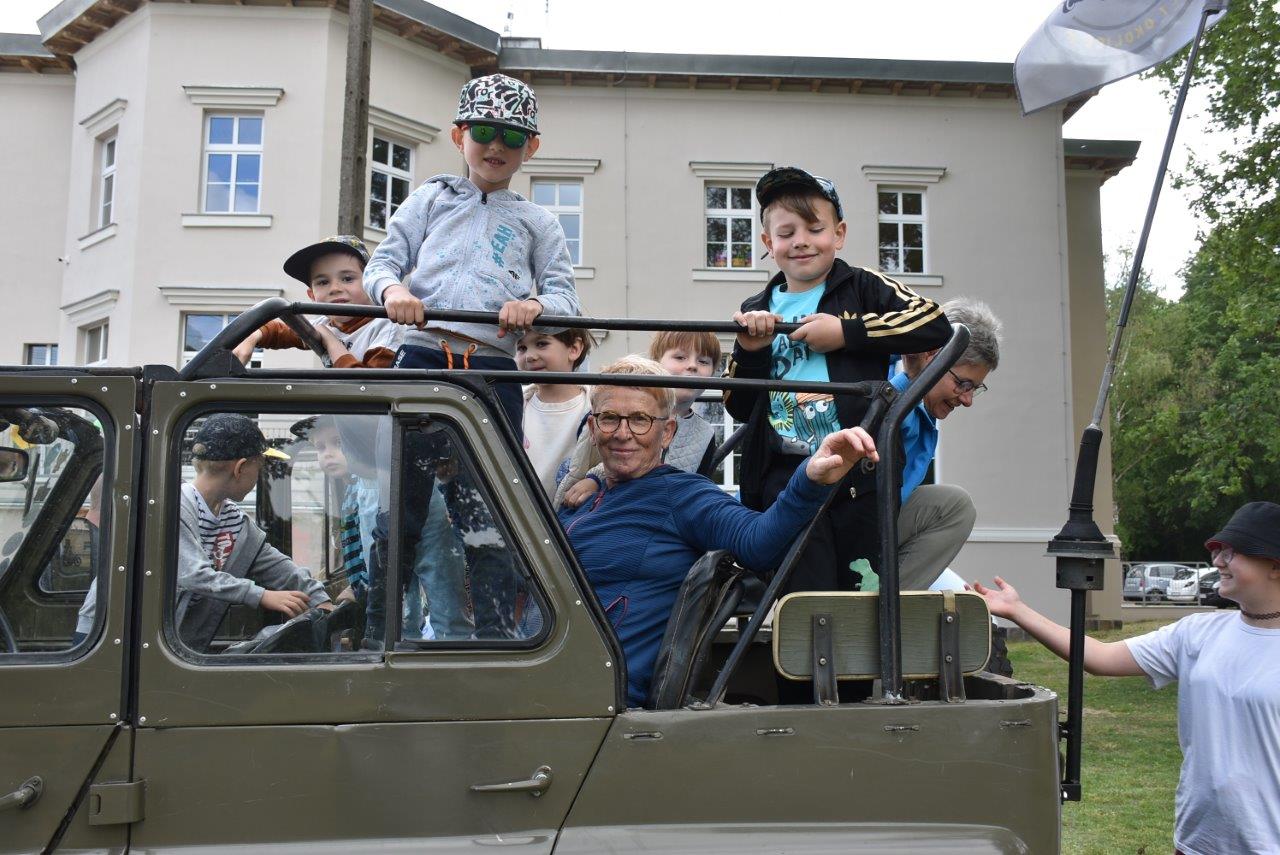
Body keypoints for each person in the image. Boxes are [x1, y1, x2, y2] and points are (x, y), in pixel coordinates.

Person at [559, 356, 880, 707]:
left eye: (640, 420)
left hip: (593, 696)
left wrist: (809, 479)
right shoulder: (576, 502)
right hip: (545, 671)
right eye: (610, 418)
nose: (623, 433)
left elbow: (757, 541)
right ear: (593, 428)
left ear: (667, 432)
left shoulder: (683, 496)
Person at [973, 501, 1280, 855]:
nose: (1218, 561)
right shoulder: (1198, 633)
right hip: (1199, 843)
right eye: (1218, 550)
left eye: (1232, 552)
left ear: (1274, 564)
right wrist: (1017, 610)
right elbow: (1100, 657)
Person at [724, 166, 951, 599]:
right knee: (802, 587)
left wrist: (847, 332)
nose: (801, 241)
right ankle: (802, 642)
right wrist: (751, 351)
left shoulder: (862, 287)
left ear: (839, 234)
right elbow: (738, 406)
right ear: (768, 243)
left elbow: (933, 322)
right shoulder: (756, 307)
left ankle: (862, 645)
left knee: (861, 585)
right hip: (785, 473)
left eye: (815, 229)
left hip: (861, 471)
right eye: (787, 233)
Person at [362, 73, 580, 436]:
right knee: (405, 461)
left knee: (493, 465)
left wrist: (535, 307)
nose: (496, 145)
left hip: (493, 366)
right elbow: (382, 263)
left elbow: (566, 300)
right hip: (421, 352)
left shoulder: (539, 223)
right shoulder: (432, 197)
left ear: (530, 148)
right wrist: (393, 291)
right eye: (483, 132)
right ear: (458, 137)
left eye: (512, 137)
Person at [175, 414, 334, 652]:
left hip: (187, 650)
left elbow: (276, 566)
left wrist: (319, 600)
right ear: (240, 468)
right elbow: (194, 575)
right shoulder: (175, 508)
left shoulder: (234, 521)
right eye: (258, 469)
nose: (259, 478)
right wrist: (261, 595)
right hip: (145, 648)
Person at [885, 297, 1002, 591]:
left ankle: (887, 603)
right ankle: (876, 611)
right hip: (843, 525)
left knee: (966, 603)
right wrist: (907, 381)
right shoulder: (889, 385)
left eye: (975, 388)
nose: (968, 399)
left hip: (875, 521)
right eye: (964, 384)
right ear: (931, 356)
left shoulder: (923, 407)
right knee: (954, 507)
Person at [557, 331, 722, 509]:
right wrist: (595, 478)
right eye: (680, 357)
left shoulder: (705, 433)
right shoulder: (606, 414)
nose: (692, 366)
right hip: (607, 505)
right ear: (657, 362)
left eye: (703, 361)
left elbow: (699, 484)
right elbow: (582, 462)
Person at [233, 235, 401, 368]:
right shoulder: (325, 324)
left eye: (348, 278)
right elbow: (280, 331)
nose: (335, 288)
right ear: (312, 295)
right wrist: (252, 335)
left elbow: (369, 389)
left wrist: (330, 341)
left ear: (371, 284)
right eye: (323, 282)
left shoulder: (387, 326)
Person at [515, 327, 592, 496]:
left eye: (541, 344)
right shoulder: (512, 405)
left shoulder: (596, 408)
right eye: (522, 348)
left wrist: (595, 480)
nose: (530, 356)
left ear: (574, 348)